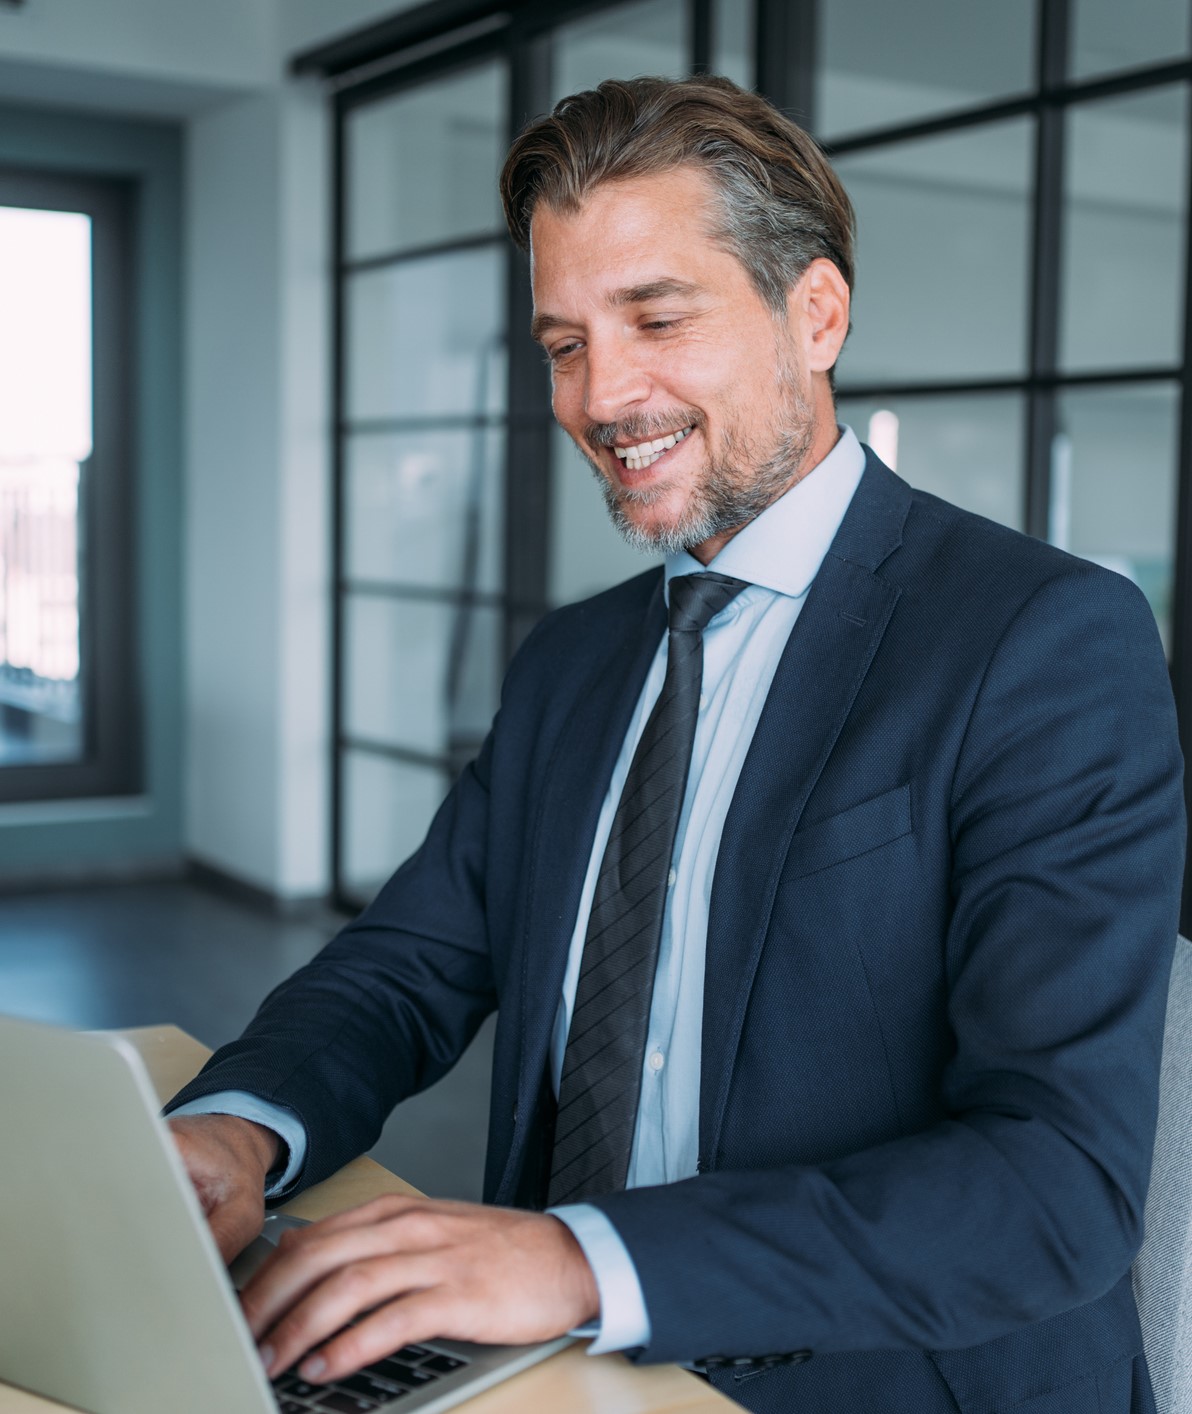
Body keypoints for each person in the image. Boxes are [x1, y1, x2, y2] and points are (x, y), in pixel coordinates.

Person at [165, 75, 1185, 1413]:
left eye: (656, 317)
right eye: (564, 342)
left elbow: (1052, 1186)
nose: (602, 392)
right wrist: (237, 1130)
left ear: (813, 314)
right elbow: (403, 967)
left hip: (879, 1380)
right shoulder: (573, 662)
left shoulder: (1044, 641)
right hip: (565, 1366)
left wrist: (584, 1260)